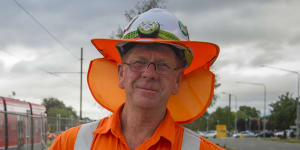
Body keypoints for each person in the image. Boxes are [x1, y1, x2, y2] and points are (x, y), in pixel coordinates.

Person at [49, 8, 223, 150]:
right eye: (139, 62)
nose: (149, 73)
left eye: (162, 65)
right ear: (121, 74)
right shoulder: (70, 144)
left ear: (177, 80)